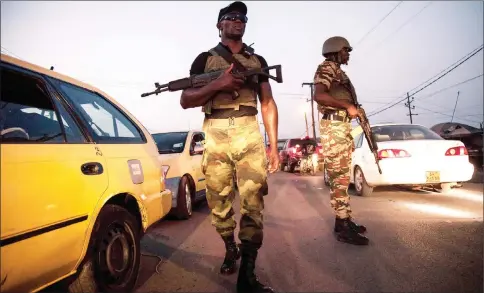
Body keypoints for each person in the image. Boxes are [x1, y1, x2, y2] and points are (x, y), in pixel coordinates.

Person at [179, 1, 279, 292]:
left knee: (253, 202)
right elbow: (186, 99)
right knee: (219, 203)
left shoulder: (256, 60)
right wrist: (218, 84)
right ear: (220, 25)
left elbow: (268, 103)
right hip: (216, 131)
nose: (239, 21)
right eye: (232, 17)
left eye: (243, 18)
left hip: (248, 130)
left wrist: (273, 145)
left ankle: (246, 274)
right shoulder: (204, 60)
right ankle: (229, 245)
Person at [312, 36, 369, 246]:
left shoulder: (337, 71)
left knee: (343, 175)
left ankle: (344, 219)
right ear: (335, 50)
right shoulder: (327, 67)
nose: (348, 54)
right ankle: (342, 226)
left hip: (340, 127)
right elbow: (319, 95)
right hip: (334, 127)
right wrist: (346, 106)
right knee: (340, 178)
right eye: (346, 50)